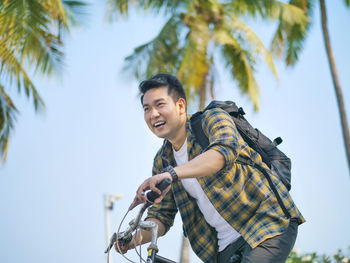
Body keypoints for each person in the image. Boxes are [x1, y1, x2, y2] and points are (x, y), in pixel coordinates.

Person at [115, 73, 305, 263]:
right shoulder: (162, 161)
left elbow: (223, 152)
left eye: (160, 105)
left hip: (266, 224)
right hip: (222, 251)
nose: (153, 114)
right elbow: (161, 216)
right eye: (146, 108)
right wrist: (131, 240)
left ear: (180, 106)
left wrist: (172, 174)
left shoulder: (212, 119)